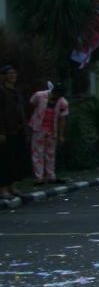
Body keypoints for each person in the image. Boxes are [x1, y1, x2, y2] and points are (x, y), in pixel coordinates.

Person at [28, 83, 68, 186]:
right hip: (38, 127)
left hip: (52, 130)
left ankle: (50, 176)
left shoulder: (63, 102)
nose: (57, 96)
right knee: (37, 153)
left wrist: (61, 135)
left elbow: (62, 119)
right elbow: (31, 105)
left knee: (50, 153)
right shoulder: (40, 95)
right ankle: (39, 177)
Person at [0, 64, 28, 199]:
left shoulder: (16, 91)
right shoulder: (1, 91)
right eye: (9, 73)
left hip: (19, 130)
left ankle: (13, 187)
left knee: (16, 159)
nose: (12, 76)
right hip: (6, 131)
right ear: (3, 76)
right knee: (5, 160)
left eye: (14, 73)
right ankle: (3, 189)